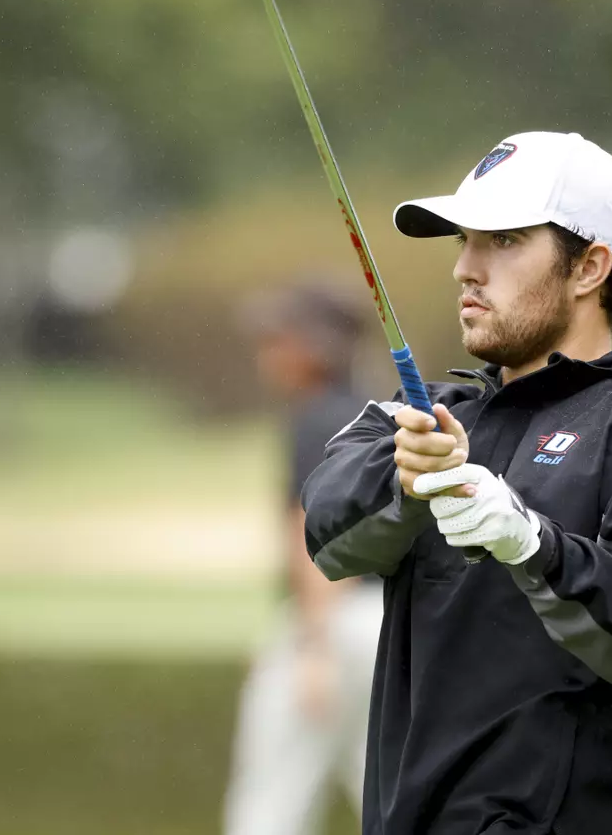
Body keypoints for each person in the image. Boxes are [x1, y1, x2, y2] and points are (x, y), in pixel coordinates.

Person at [301, 131, 612, 835]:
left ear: (590, 268)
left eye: (505, 241)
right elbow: (327, 530)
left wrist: (536, 546)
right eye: (465, 242)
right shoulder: (421, 419)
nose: (465, 268)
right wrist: (405, 478)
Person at [224, 281, 387, 835]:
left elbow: (313, 536)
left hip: (333, 625)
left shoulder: (315, 419)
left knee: (271, 804)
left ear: (314, 347)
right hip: (386, 625)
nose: (266, 355)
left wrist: (312, 644)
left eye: (278, 340)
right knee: (385, 796)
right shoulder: (375, 414)